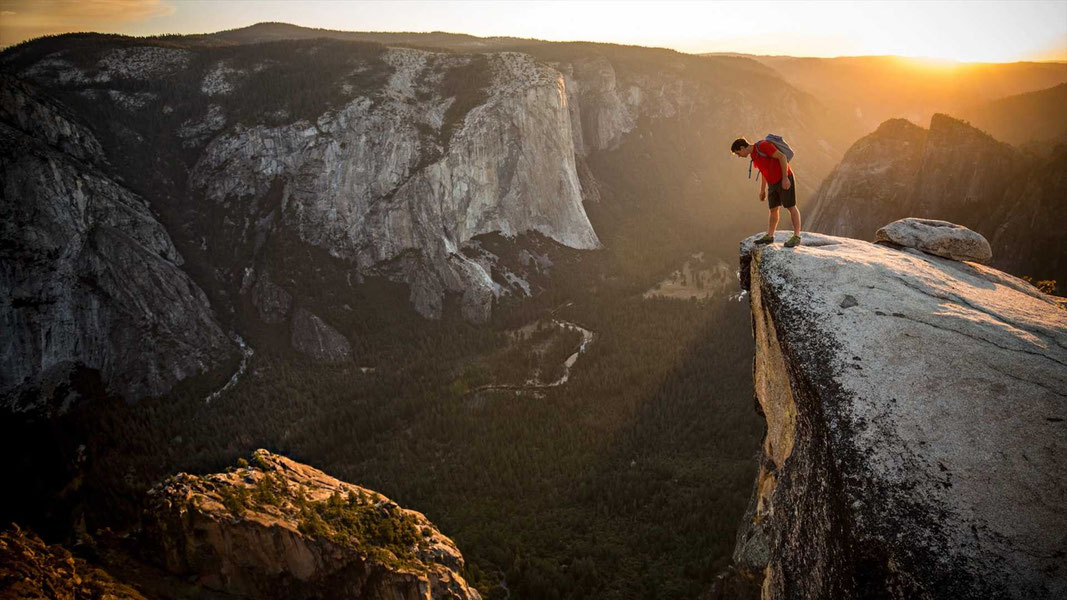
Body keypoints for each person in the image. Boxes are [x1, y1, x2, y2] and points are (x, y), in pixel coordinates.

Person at [731, 137, 801, 247]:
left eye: (738, 153)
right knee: (773, 208)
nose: (739, 156)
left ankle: (796, 236)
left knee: (790, 206)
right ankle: (770, 236)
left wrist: (785, 178)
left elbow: (782, 157)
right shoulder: (754, 155)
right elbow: (764, 171)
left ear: (742, 148)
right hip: (772, 182)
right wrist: (762, 190)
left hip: (783, 177)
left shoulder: (763, 146)